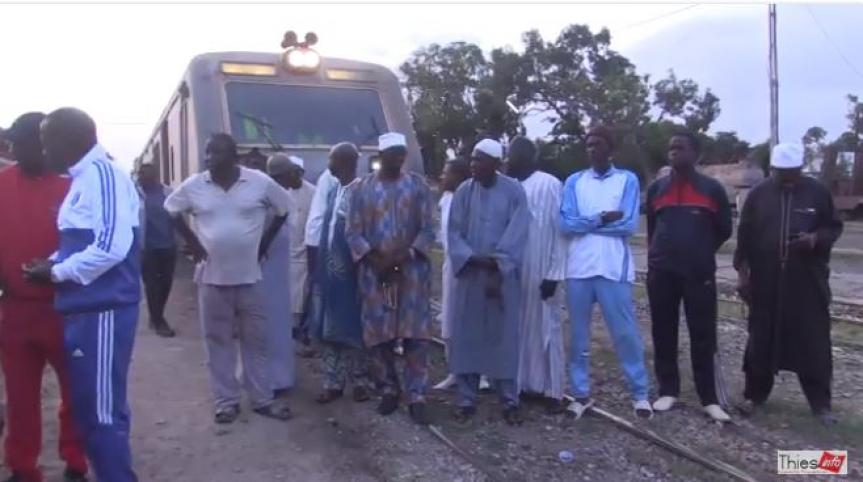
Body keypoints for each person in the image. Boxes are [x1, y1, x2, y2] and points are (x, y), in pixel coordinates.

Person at [24, 107, 140, 481]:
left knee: (101, 414)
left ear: (70, 139)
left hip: (102, 310)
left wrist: (57, 272)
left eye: (47, 141)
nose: (44, 151)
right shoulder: (82, 178)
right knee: (90, 409)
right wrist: (51, 263)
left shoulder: (103, 174)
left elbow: (110, 247)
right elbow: (81, 243)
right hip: (83, 310)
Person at [164, 133, 294, 424]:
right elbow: (170, 209)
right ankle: (226, 402)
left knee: (255, 342)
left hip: (251, 279)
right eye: (207, 153)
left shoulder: (259, 182)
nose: (209, 158)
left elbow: (284, 209)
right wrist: (192, 242)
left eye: (216, 153)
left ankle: (262, 399)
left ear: (234, 157)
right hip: (212, 279)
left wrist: (263, 244)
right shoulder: (195, 185)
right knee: (217, 342)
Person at [0, 112, 88, 482]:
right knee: (20, 397)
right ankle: (23, 467)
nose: (14, 150)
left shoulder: (74, 187)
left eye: (20, 144)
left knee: (75, 392)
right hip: (16, 310)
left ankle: (76, 461)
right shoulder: (2, 184)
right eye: (12, 144)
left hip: (65, 308)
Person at [735, 143, 843, 425]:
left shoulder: (818, 192)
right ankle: (754, 396)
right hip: (765, 281)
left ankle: (821, 405)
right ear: (773, 169)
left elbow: (834, 227)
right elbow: (744, 237)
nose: (787, 178)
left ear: (801, 168)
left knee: (813, 342)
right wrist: (743, 276)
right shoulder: (759, 195)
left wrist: (815, 239)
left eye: (792, 172)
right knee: (760, 340)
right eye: (781, 172)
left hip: (807, 282)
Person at [559, 127, 653, 420]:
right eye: (588, 144)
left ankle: (640, 394)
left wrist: (585, 224)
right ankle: (580, 393)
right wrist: (601, 218)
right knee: (579, 336)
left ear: (610, 150)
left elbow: (627, 225)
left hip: (613, 269)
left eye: (598, 144)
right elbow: (566, 224)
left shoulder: (627, 180)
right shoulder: (574, 181)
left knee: (625, 334)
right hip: (578, 268)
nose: (592, 149)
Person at [345, 132, 436, 425]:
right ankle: (388, 389)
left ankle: (416, 394)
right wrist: (377, 260)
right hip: (375, 273)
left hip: (412, 273)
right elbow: (352, 231)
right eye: (393, 153)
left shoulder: (418, 186)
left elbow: (428, 229)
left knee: (415, 334)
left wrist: (404, 255)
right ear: (380, 156)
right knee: (379, 333)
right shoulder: (360, 189)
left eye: (402, 153)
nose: (398, 158)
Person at [645, 132, 733, 422]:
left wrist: (700, 251)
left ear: (696, 154)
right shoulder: (657, 189)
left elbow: (724, 229)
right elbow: (652, 228)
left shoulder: (712, 189)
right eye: (671, 148)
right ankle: (668, 390)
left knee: (703, 335)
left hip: (699, 274)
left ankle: (709, 398)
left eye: (680, 148)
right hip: (662, 273)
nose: (674, 152)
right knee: (663, 331)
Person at [447, 139, 530, 425]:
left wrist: (498, 266)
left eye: (479, 160)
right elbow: (454, 232)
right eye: (472, 159)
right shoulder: (463, 191)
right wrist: (473, 259)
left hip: (503, 278)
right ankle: (466, 399)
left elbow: (518, 232)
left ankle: (509, 400)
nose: (473, 165)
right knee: (467, 337)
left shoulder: (514, 191)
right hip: (471, 274)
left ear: (496, 164)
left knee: (503, 338)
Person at [503, 136, 568, 413]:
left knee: (547, 327)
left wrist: (555, 273)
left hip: (542, 268)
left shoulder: (549, 184)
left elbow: (559, 231)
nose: (509, 159)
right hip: (515, 270)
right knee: (518, 328)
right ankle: (523, 385)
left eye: (513, 154)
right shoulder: (508, 186)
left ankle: (553, 391)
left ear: (529, 157)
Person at [309, 143, 374, 404]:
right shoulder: (334, 190)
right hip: (329, 271)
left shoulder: (362, 192)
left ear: (346, 162)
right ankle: (332, 382)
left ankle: (360, 382)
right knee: (328, 327)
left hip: (352, 272)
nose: (329, 165)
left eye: (332, 159)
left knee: (354, 325)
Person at [261, 153, 302, 398]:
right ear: (282, 175)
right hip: (267, 271)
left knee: (279, 324)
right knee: (270, 325)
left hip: (279, 270)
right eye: (291, 172)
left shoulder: (279, 194)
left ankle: (279, 377)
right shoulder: (271, 196)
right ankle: (271, 380)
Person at [431, 157, 471, 391]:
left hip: (469, 267)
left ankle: (479, 373)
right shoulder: (445, 200)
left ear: (459, 177)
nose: (442, 177)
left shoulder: (471, 200)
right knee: (449, 321)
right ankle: (455, 371)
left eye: (447, 173)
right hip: (450, 265)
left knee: (470, 320)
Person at [301, 167, 340, 354]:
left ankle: (314, 335)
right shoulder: (332, 179)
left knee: (319, 290)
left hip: (319, 240)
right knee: (319, 291)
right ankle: (314, 337)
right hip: (319, 242)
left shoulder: (332, 179)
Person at [136, 163, 177, 338]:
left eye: (146, 174)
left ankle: (156, 316)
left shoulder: (168, 192)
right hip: (147, 248)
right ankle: (159, 321)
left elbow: (177, 216)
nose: (142, 177)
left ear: (155, 176)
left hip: (168, 245)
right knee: (152, 285)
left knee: (166, 283)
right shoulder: (135, 194)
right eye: (140, 174)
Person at [278, 155, 316, 338]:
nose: (290, 177)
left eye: (293, 173)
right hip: (283, 253)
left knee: (300, 296)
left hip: (303, 254)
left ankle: (299, 331)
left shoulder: (313, 193)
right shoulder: (280, 192)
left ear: (301, 173)